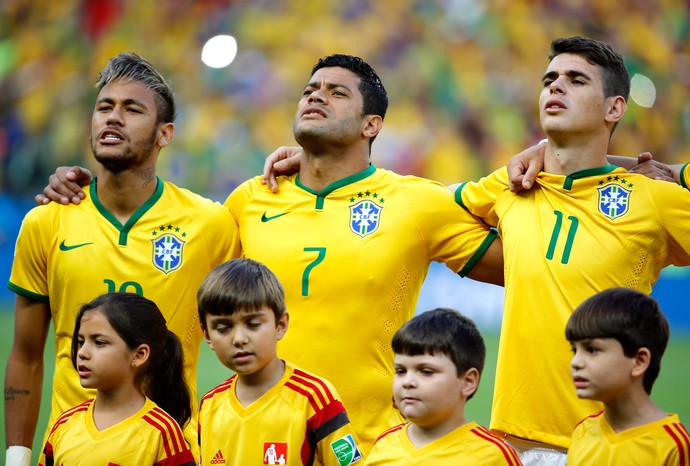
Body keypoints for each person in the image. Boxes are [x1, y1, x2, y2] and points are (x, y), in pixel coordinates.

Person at [38, 53, 504, 451]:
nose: (316, 96)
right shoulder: (250, 200)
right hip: (253, 445)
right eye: (310, 89)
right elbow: (160, 245)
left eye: (337, 92)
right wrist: (88, 187)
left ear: (372, 125)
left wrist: (545, 161)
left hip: (369, 444)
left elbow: (522, 264)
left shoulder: (417, 202)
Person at [453, 36, 690, 464]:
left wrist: (675, 171)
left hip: (611, 445)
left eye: (575, 80)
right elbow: (414, 200)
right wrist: (318, 160)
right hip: (512, 445)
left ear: (614, 108)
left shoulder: (653, 196)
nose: (555, 87)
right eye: (549, 79)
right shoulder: (512, 186)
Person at [5, 52, 238, 465]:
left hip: (172, 450)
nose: (112, 118)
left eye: (132, 109)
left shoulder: (210, 224)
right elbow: (25, 354)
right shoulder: (46, 221)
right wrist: (18, 457)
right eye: (104, 108)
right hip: (70, 450)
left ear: (165, 134)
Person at [196, 258, 364, 466]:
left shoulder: (314, 398)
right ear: (208, 336)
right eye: (223, 328)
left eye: (253, 324)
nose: (239, 339)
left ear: (280, 325)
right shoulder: (210, 404)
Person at [38, 292, 196, 466]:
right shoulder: (64, 425)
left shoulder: (161, 432)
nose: (82, 353)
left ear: (139, 355)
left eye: (99, 342)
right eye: (81, 341)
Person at [365, 308, 522, 465]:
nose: (408, 381)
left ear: (468, 382)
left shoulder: (492, 456)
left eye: (426, 371)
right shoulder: (384, 445)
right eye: (401, 371)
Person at [565, 287, 689, 465]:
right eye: (574, 350)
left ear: (639, 361)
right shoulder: (582, 433)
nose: (576, 362)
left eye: (592, 350)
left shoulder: (674, 447)